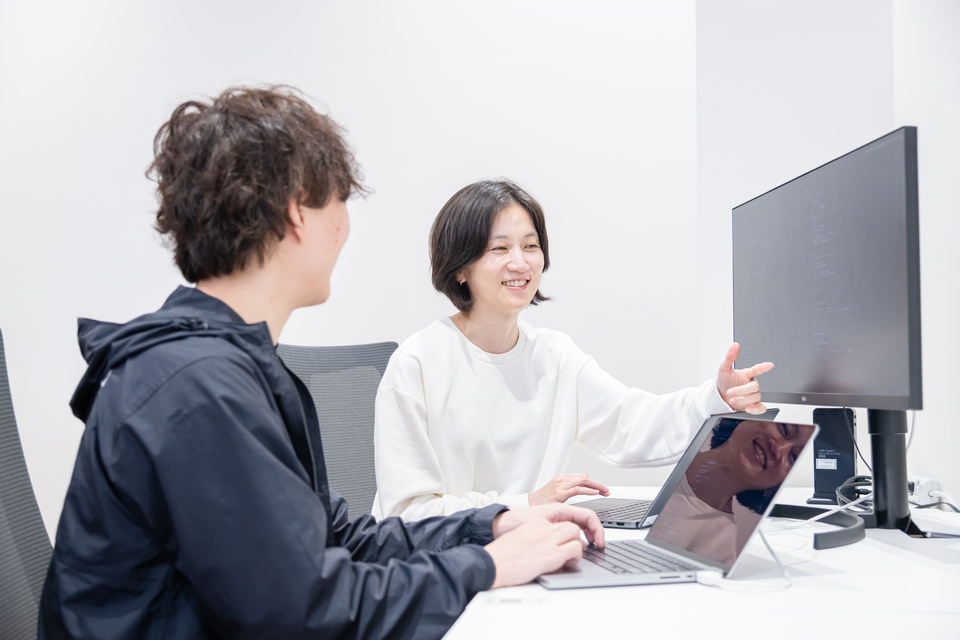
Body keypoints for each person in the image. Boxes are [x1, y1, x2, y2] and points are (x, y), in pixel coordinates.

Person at [38, 86, 604, 640]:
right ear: (297, 214)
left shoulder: (224, 367)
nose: (345, 227)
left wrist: (493, 526)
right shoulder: (198, 388)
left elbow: (338, 539)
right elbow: (301, 612)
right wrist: (489, 566)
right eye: (339, 202)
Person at [372, 179, 774, 521]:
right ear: (460, 267)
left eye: (531, 246)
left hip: (526, 553)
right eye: (499, 249)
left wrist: (717, 398)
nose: (520, 263)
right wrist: (527, 504)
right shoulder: (417, 363)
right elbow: (406, 514)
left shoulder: (554, 356)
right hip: (439, 568)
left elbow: (633, 423)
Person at [651, 417, 810, 564]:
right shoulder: (666, 455)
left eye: (793, 457)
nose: (778, 448)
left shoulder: (719, 548)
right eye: (784, 428)